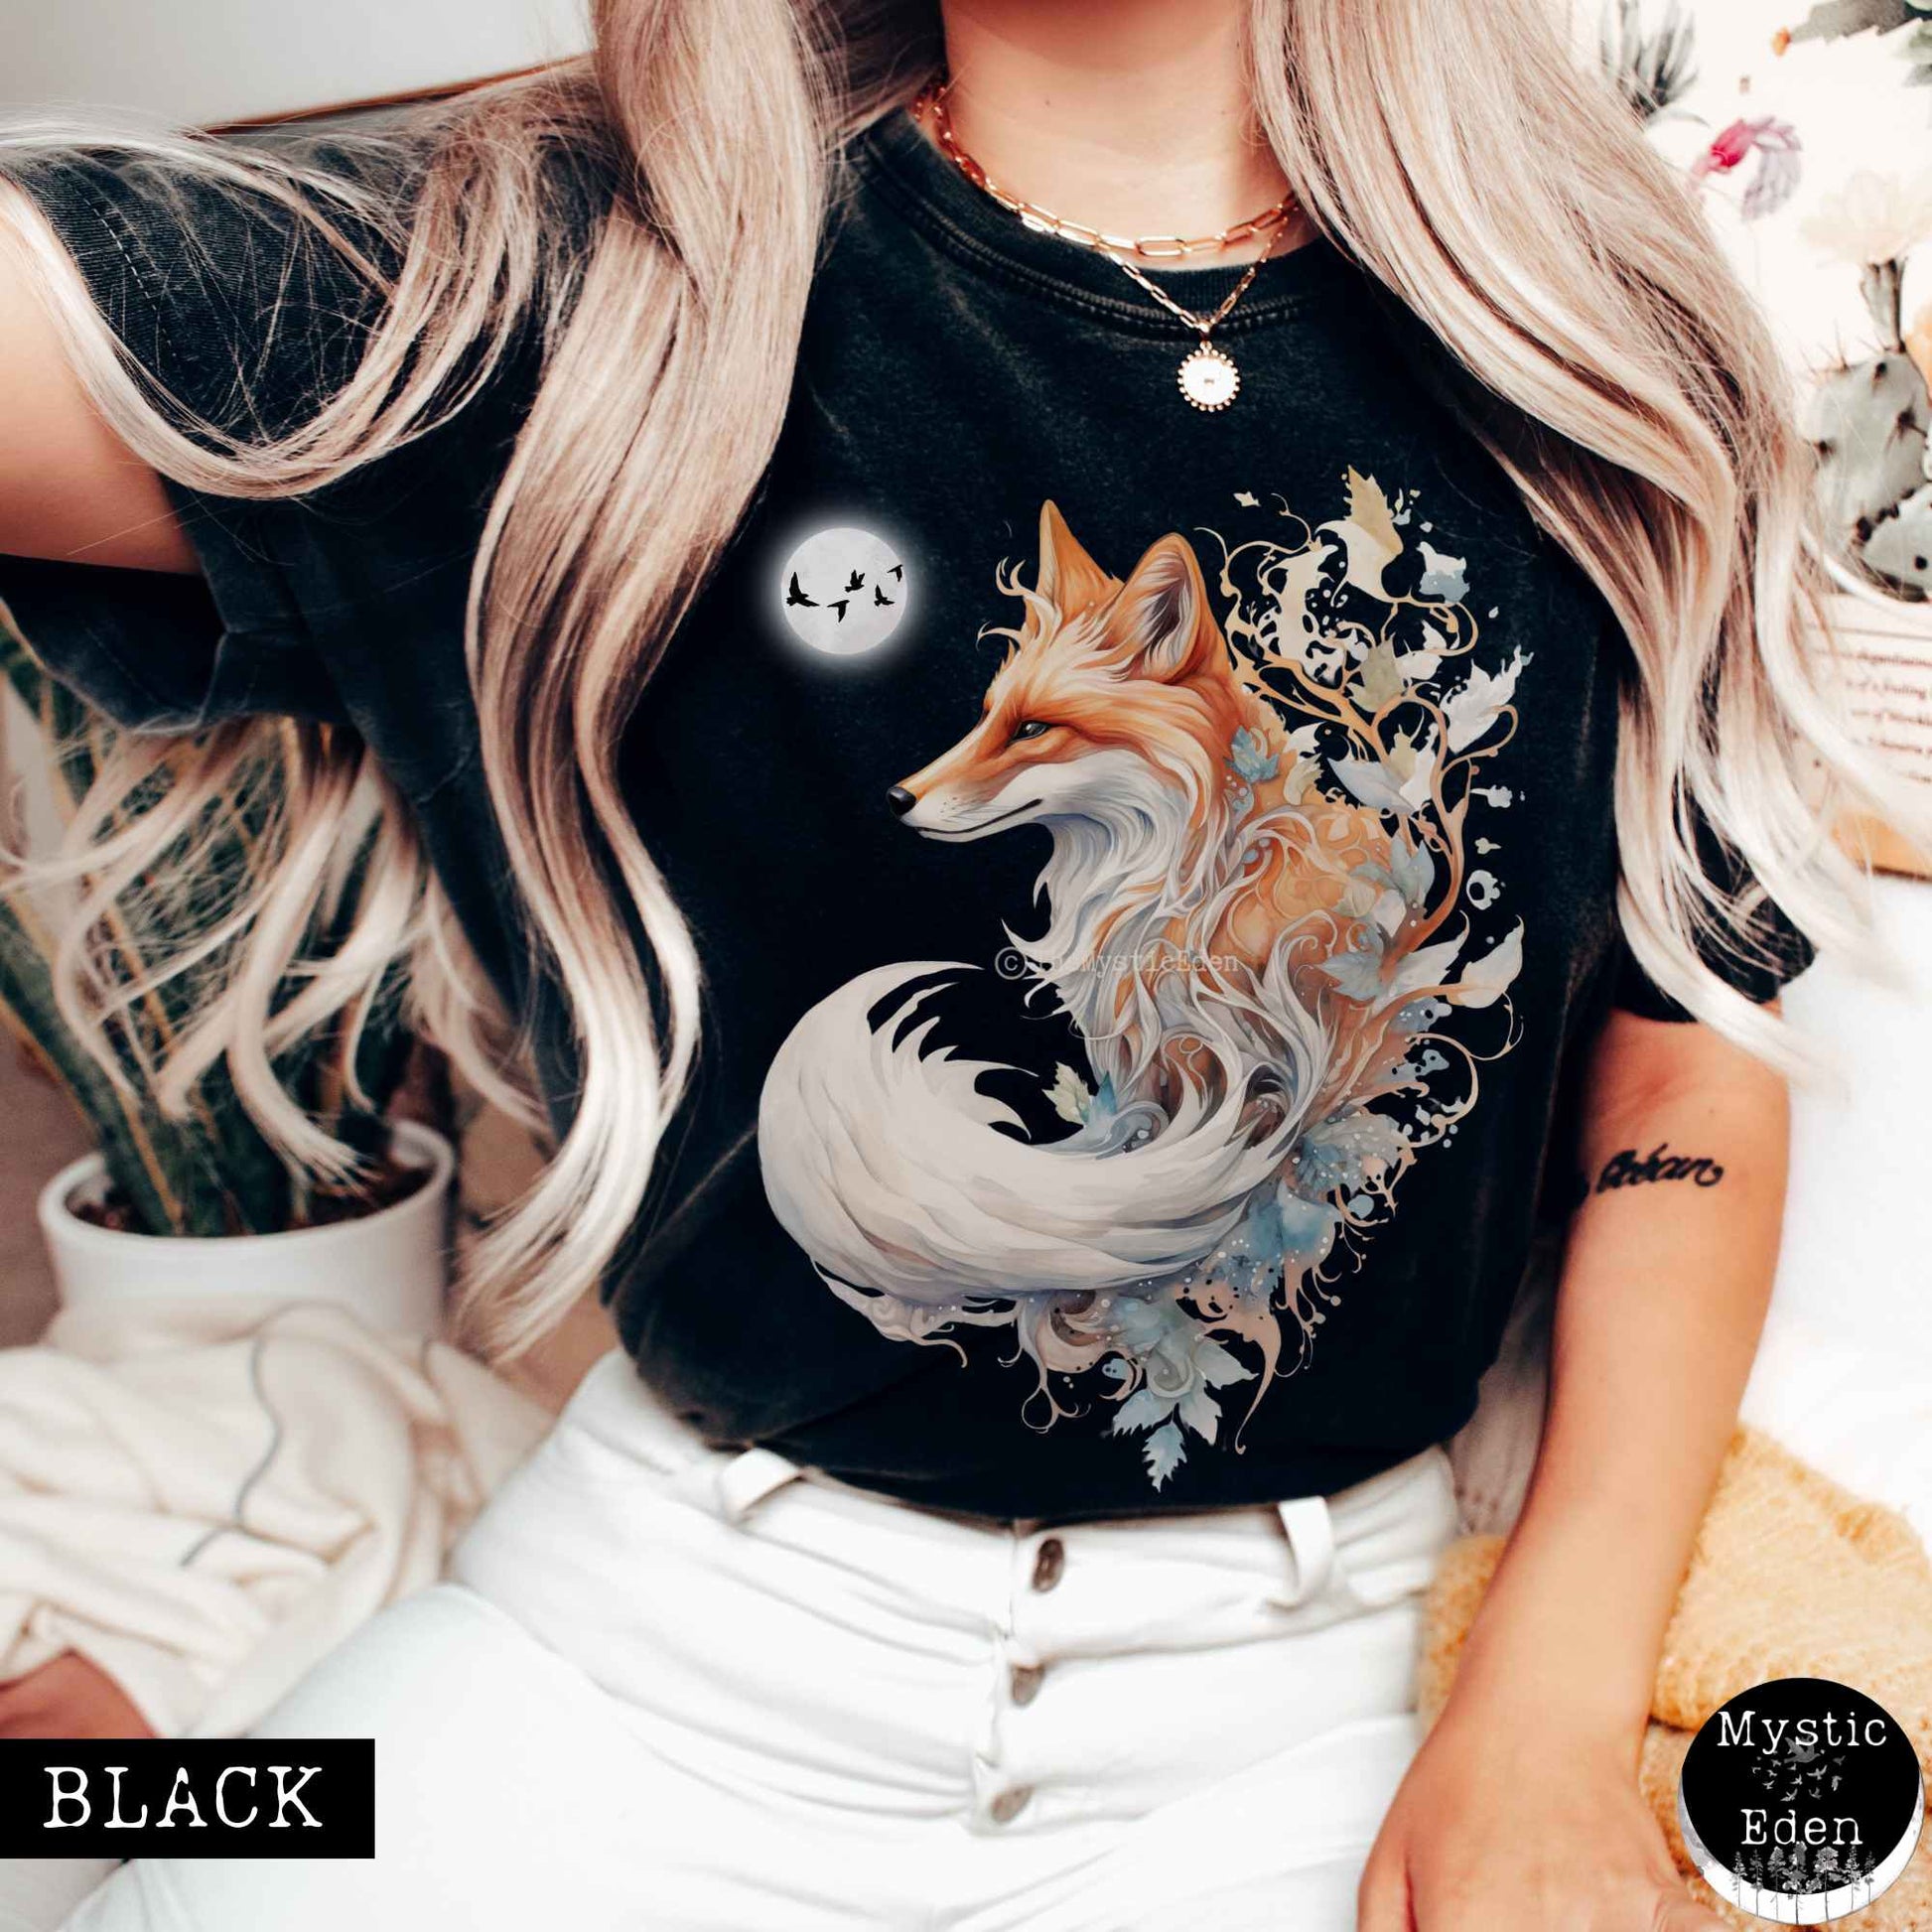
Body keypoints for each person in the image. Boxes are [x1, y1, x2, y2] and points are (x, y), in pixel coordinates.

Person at [0, 1, 1907, 1925]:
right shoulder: (571, 273)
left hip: (1303, 1704)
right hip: (661, 1630)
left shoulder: (1597, 338)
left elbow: (1682, 1054)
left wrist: (1551, 1702)